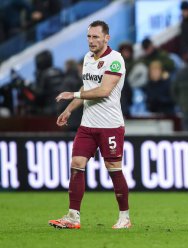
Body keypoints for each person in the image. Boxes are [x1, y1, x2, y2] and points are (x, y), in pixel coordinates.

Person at [48, 20, 131, 229]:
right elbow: (88, 87)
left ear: (106, 38)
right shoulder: (87, 58)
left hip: (110, 125)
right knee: (76, 164)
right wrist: (69, 109)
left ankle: (124, 217)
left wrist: (72, 94)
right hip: (87, 125)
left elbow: (103, 91)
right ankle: (73, 217)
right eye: (89, 37)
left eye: (96, 37)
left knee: (114, 169)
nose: (91, 41)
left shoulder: (115, 60)